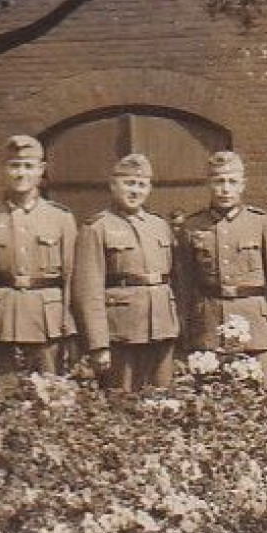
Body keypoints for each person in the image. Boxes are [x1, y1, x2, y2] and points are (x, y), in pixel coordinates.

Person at [176, 150, 267, 378]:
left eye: (232, 181)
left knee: (257, 402)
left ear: (242, 185)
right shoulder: (193, 227)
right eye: (219, 181)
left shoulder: (262, 223)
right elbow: (183, 287)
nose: (225, 189)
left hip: (254, 332)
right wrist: (185, 337)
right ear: (209, 184)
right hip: (208, 332)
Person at [0, 134, 77, 377]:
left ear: (41, 170)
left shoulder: (61, 218)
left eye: (28, 166)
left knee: (52, 396)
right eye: (14, 166)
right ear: (4, 169)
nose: (21, 173)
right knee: (3, 396)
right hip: (1, 321)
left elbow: (70, 278)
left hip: (48, 323)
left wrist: (69, 329)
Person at [70, 154, 181, 392]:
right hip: (121, 332)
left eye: (141, 185)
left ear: (149, 188)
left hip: (162, 327)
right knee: (122, 403)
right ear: (113, 185)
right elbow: (88, 292)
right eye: (129, 183)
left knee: (164, 401)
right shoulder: (97, 227)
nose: (135, 191)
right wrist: (98, 344)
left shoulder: (159, 225)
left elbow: (174, 279)